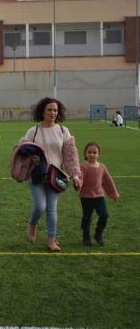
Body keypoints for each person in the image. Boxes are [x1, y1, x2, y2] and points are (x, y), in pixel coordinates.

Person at [20, 97, 82, 252]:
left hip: (56, 176)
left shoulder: (63, 131)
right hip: (36, 174)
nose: (53, 113)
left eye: (55, 110)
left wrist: (75, 174)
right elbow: (21, 150)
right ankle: (32, 224)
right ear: (42, 111)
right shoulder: (33, 131)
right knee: (41, 206)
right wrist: (31, 157)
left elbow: (70, 155)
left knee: (52, 209)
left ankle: (51, 240)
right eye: (49, 109)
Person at [78, 141, 119, 246]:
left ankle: (98, 234)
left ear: (98, 154)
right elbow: (80, 179)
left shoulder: (102, 167)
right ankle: (86, 236)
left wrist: (113, 193)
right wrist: (77, 183)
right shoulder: (83, 166)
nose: (92, 154)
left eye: (94, 152)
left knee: (104, 215)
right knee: (87, 217)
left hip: (99, 196)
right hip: (86, 196)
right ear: (85, 154)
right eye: (89, 152)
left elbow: (108, 180)